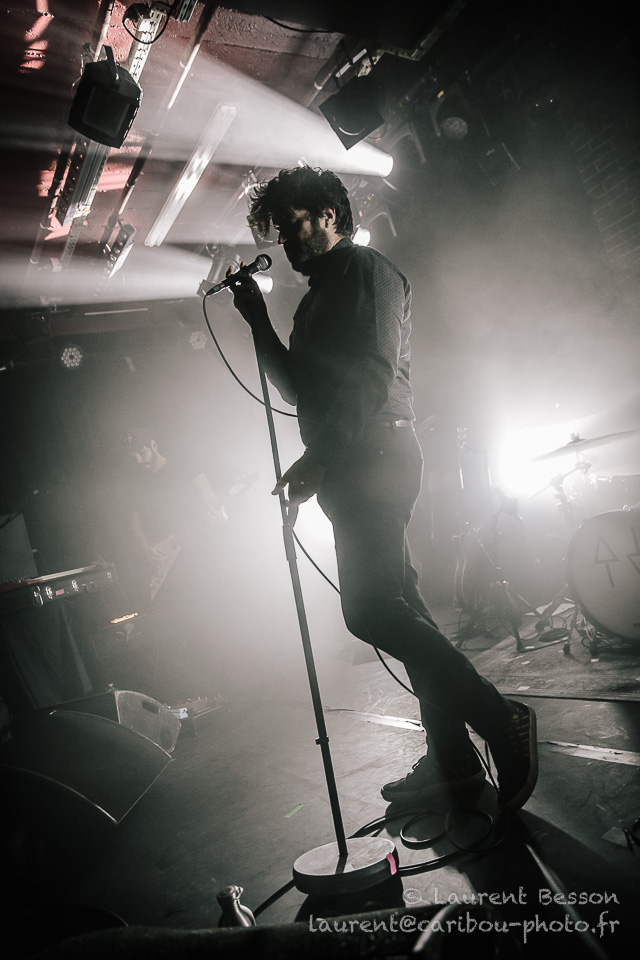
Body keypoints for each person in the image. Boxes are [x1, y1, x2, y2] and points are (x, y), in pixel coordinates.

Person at [227, 166, 537, 810]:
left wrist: (317, 460)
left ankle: (501, 717)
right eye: (278, 230)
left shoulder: (365, 271)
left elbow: (370, 375)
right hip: (351, 461)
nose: (285, 239)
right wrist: (256, 319)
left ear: (330, 215)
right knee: (404, 608)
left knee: (368, 610)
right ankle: (453, 760)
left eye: (294, 223)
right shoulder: (315, 300)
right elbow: (297, 389)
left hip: (374, 454)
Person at [123, 428, 228, 700]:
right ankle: (199, 692)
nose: (138, 460)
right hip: (169, 563)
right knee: (182, 627)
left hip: (201, 555)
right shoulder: (136, 484)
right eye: (133, 456)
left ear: (154, 444)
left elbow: (211, 500)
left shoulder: (185, 465)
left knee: (213, 617)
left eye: (142, 452)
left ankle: (228, 685)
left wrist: (222, 517)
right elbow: (135, 526)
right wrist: (146, 549)